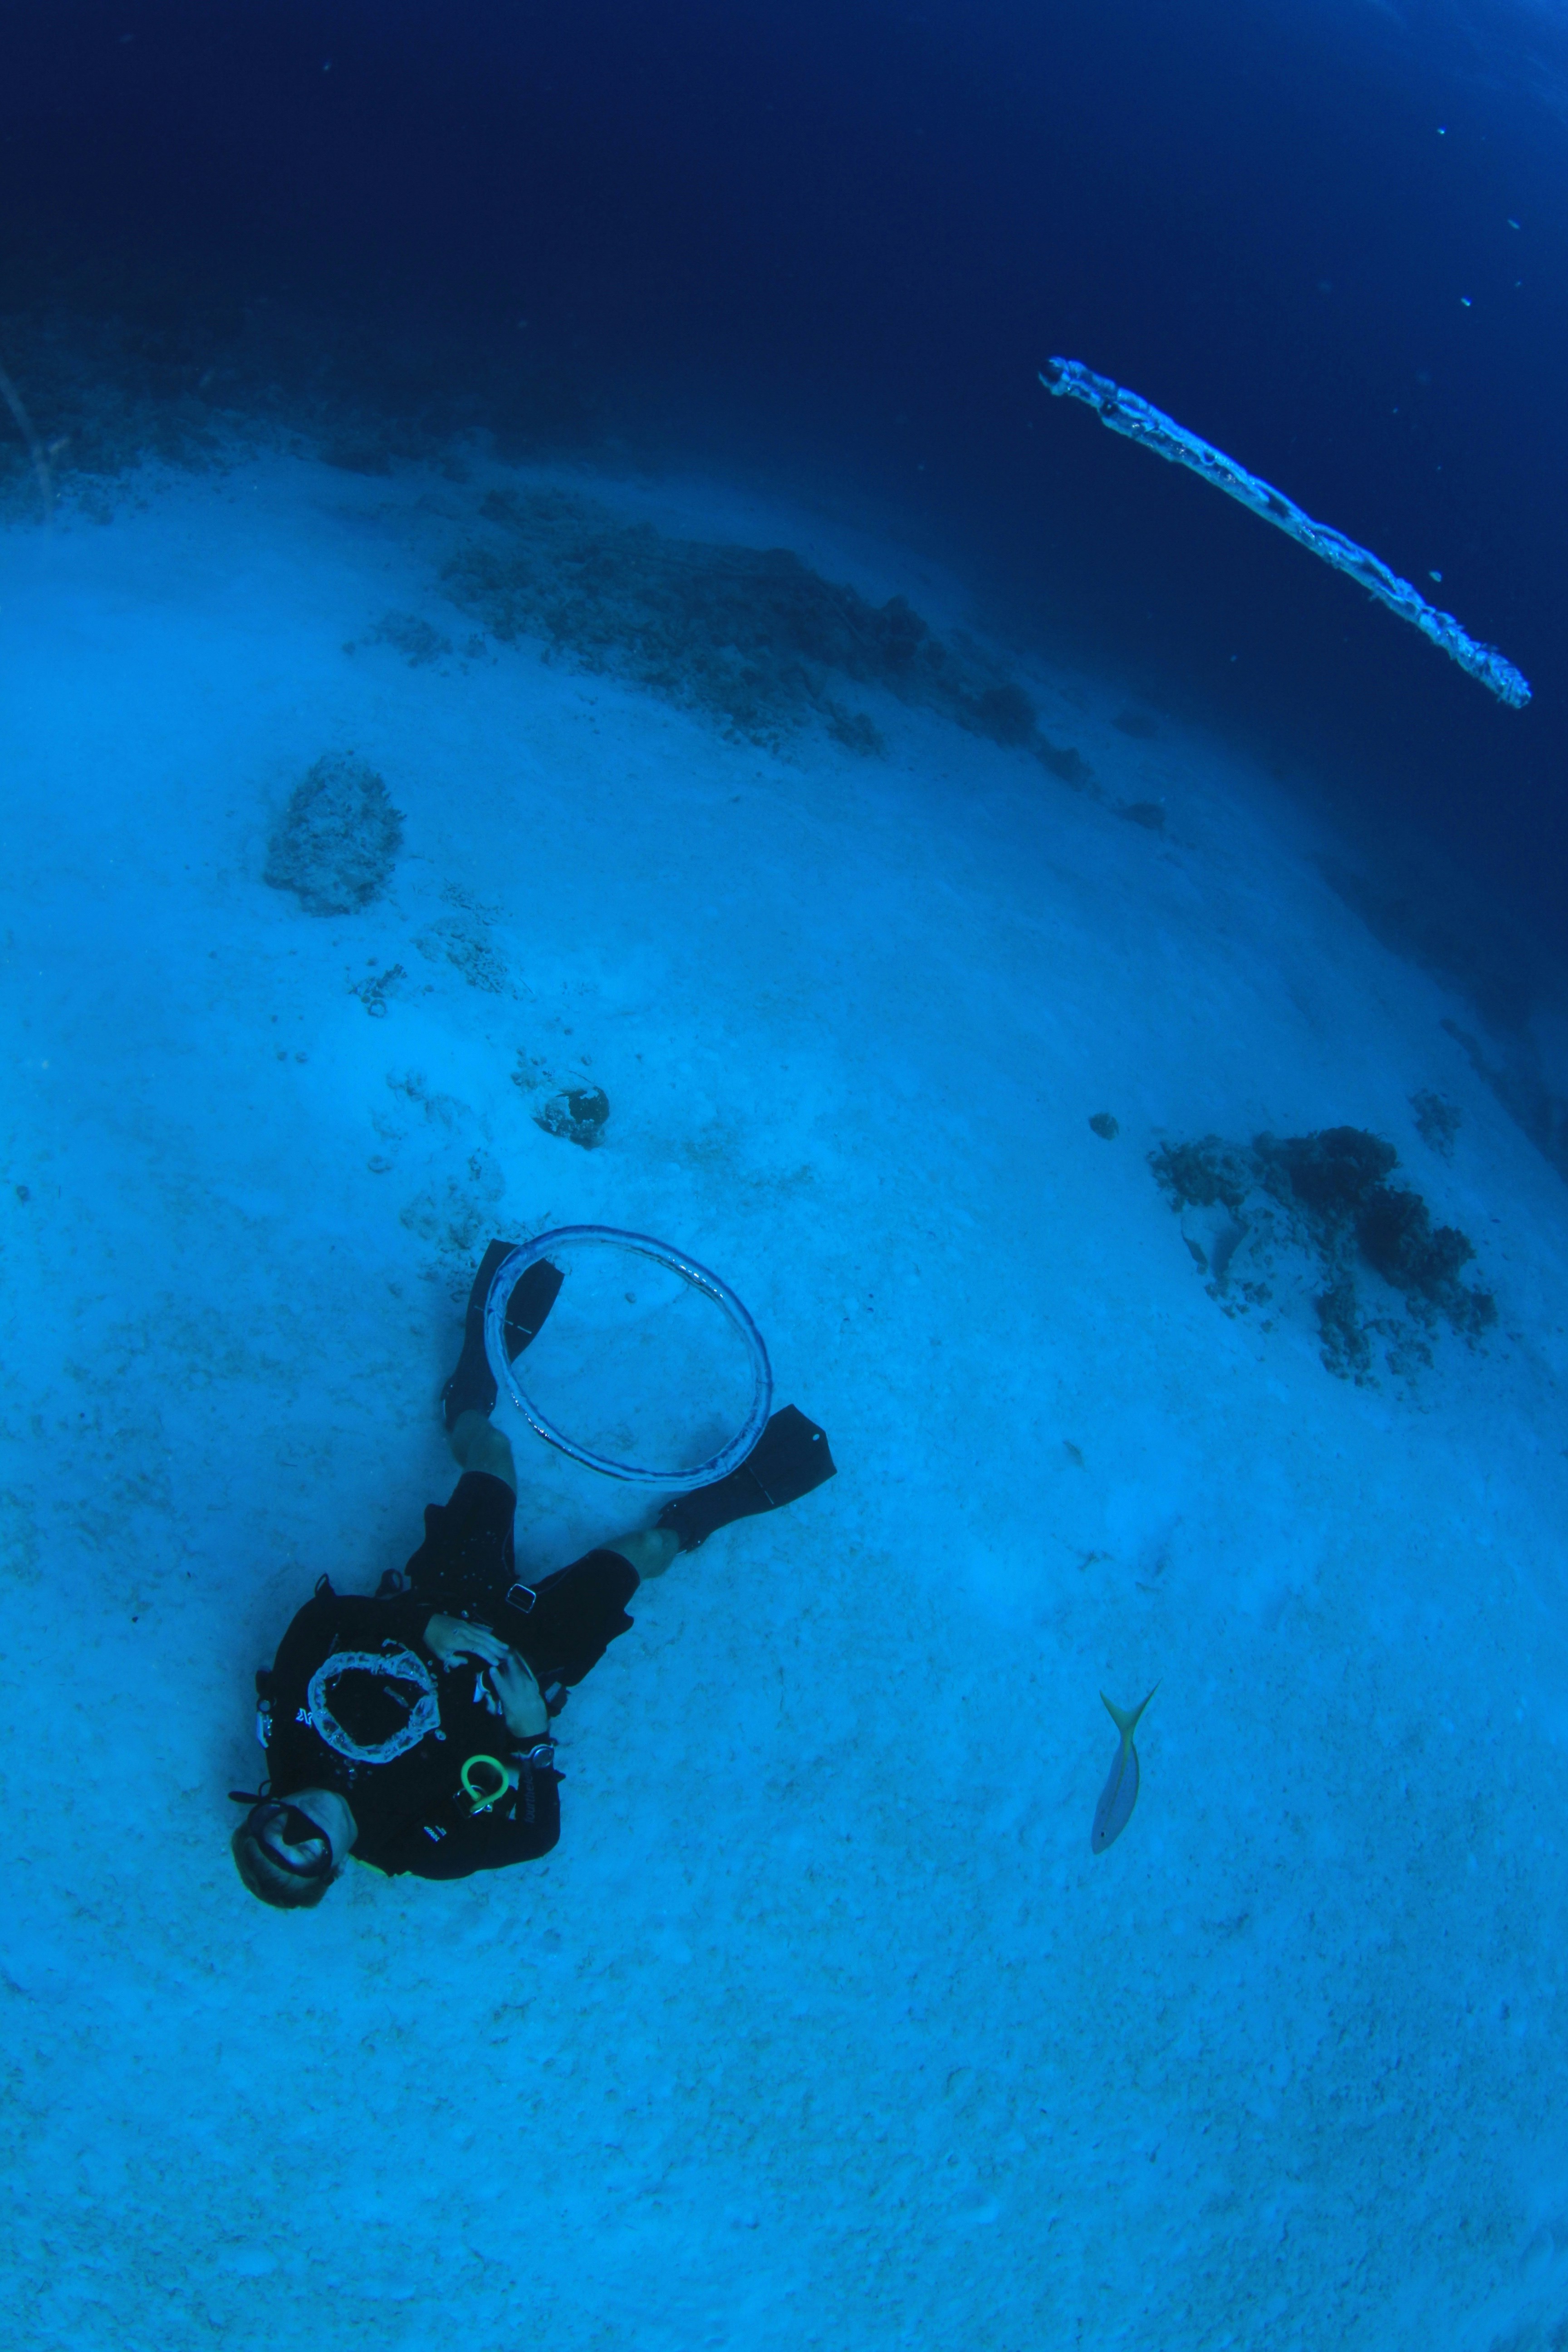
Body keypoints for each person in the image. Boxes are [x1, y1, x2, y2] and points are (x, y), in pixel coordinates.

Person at [230, 1240, 835, 1909]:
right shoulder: (411, 1847)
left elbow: (320, 1621)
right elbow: (537, 1836)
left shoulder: (287, 1737)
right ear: (337, 1868)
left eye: (273, 1827)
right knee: (647, 1549)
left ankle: (468, 1396)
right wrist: (531, 1734)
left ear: (260, 1810)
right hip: (527, 1658)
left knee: (492, 1452)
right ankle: (697, 1518)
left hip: (444, 1603)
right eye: (308, 1854)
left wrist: (426, 1624)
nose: (300, 1827)